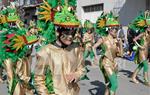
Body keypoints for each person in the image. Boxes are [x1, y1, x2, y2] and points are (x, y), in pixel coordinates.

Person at [34, 0, 85, 95]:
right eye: (66, 32)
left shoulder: (76, 48)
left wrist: (76, 75)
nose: (70, 36)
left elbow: (82, 69)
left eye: (73, 32)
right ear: (58, 32)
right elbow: (38, 79)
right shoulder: (46, 51)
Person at [93, 12, 123, 95]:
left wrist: (120, 45)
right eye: (115, 29)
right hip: (106, 63)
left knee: (110, 84)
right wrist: (95, 57)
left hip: (114, 64)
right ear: (109, 29)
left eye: (117, 29)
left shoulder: (116, 40)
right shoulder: (103, 39)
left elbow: (121, 55)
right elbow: (93, 47)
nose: (116, 31)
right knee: (115, 84)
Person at [128, 10, 150, 86]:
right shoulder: (142, 33)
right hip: (141, 51)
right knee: (146, 66)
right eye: (149, 27)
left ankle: (133, 77)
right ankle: (146, 80)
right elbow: (134, 40)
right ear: (146, 27)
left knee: (141, 65)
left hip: (146, 51)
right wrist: (140, 46)